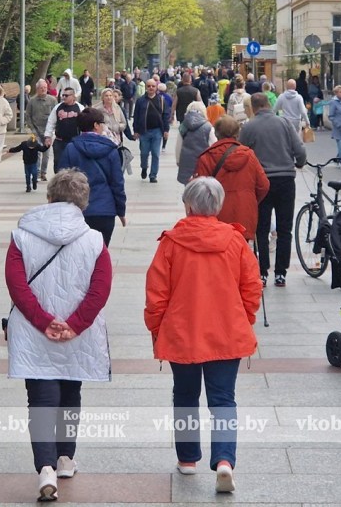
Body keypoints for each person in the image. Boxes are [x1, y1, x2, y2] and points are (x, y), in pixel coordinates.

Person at [144, 176, 260, 494]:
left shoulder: (171, 242)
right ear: (218, 206)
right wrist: (243, 317)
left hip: (182, 332)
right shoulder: (235, 241)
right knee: (223, 398)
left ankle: (188, 459)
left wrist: (156, 327)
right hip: (227, 331)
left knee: (184, 395)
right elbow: (252, 286)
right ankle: (224, 460)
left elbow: (157, 293)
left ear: (188, 204)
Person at [5, 168, 112, 502]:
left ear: (49, 198)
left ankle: (45, 468)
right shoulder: (95, 240)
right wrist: (75, 324)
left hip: (34, 331)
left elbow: (16, 284)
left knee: (40, 398)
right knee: (70, 390)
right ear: (83, 203)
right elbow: (101, 288)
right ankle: (65, 457)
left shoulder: (21, 235)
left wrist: (42, 320)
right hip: (76, 335)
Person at [240, 93, 306, 287]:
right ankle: (281, 273)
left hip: (261, 182)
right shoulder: (285, 123)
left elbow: (242, 153)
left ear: (253, 107)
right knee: (285, 228)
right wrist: (299, 163)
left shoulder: (249, 127)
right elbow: (299, 149)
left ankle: (262, 272)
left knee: (261, 227)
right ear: (269, 104)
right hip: (285, 179)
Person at [195, 116, 269, 241]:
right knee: (240, 252)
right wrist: (250, 200)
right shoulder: (249, 155)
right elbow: (264, 185)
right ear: (237, 133)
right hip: (244, 213)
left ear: (216, 133)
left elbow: (200, 192)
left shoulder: (206, 157)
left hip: (216, 216)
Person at [59, 109, 126, 246]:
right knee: (100, 253)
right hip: (104, 210)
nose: (104, 126)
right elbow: (117, 184)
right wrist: (121, 211)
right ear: (96, 125)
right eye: (103, 123)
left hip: (77, 210)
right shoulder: (111, 150)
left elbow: (61, 182)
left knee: (78, 253)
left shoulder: (71, 149)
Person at [133, 79, 170, 183]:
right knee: (144, 153)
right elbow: (136, 116)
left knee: (155, 153)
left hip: (157, 131)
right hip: (144, 131)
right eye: (149, 86)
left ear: (156, 87)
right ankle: (144, 167)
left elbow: (165, 115)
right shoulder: (140, 101)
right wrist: (136, 130)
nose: (151, 88)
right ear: (146, 87)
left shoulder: (161, 100)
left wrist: (166, 130)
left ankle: (153, 175)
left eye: (153, 86)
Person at [44, 87, 84, 171]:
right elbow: (51, 122)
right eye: (63, 95)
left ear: (73, 96)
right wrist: (48, 136)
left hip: (75, 141)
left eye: (66, 95)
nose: (64, 97)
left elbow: (85, 125)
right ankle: (59, 181)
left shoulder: (80, 108)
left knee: (74, 165)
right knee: (59, 164)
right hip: (60, 141)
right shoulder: (58, 107)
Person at [176, 101, 216, 185]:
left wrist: (178, 160)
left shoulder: (183, 126)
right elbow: (214, 145)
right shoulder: (208, 127)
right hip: (204, 163)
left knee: (189, 188)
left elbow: (179, 145)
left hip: (186, 161)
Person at [27, 80, 58, 181]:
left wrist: (53, 130)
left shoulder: (52, 100)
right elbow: (28, 116)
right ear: (37, 89)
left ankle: (43, 173)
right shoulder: (32, 101)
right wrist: (32, 129)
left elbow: (56, 115)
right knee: (37, 151)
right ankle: (37, 172)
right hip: (36, 130)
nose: (43, 89)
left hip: (48, 131)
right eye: (41, 88)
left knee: (46, 153)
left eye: (45, 87)